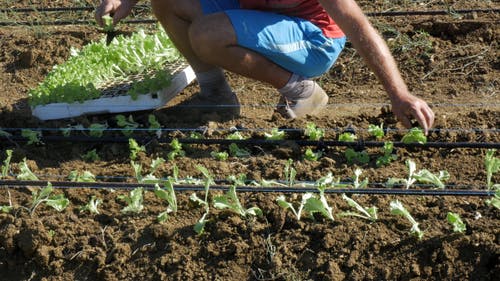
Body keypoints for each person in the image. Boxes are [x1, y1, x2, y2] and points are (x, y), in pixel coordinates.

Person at [95, 0, 435, 134]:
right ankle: (216, 95)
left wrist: (398, 93)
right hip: (266, 17)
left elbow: (357, 25)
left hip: (314, 38)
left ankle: (300, 90)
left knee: (207, 35)